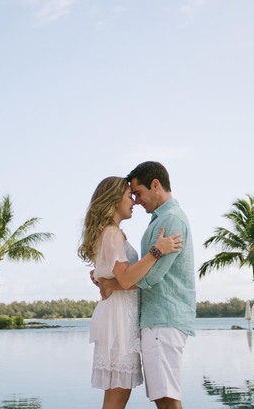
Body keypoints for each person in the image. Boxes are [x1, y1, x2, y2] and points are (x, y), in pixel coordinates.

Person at [78, 176, 183, 409]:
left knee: (117, 396)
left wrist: (104, 279)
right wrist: (157, 251)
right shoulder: (112, 233)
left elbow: (113, 275)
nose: (134, 202)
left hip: (120, 315)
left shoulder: (111, 233)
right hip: (118, 320)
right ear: (115, 201)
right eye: (129, 196)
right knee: (117, 397)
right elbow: (125, 278)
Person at [99, 162, 196, 409]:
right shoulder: (160, 219)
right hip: (157, 320)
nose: (137, 200)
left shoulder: (170, 220)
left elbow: (152, 276)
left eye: (138, 193)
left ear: (155, 185)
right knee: (164, 397)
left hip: (162, 319)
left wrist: (112, 284)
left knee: (166, 399)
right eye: (132, 196)